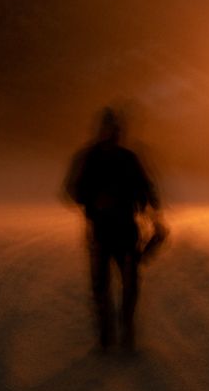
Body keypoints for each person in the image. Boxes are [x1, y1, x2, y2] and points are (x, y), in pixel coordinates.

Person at [63, 106, 166, 351]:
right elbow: (72, 189)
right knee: (100, 286)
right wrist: (93, 199)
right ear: (102, 129)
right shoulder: (89, 157)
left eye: (115, 128)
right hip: (100, 231)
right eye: (108, 127)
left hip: (127, 230)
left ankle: (127, 329)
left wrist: (153, 210)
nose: (111, 132)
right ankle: (105, 335)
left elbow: (146, 187)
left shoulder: (128, 157)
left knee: (130, 284)